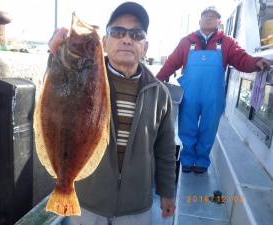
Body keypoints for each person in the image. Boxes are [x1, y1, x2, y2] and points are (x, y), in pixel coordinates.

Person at [49, 2, 176, 225]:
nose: (127, 39)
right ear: (104, 43)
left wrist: (168, 192)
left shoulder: (160, 93)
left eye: (136, 34)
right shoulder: (86, 78)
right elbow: (59, 87)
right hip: (88, 201)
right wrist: (55, 53)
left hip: (136, 205)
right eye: (118, 32)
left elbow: (165, 150)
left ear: (145, 47)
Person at [156, 6, 273, 174]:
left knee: (209, 128)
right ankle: (187, 159)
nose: (209, 18)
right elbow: (171, 63)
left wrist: (257, 62)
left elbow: (242, 59)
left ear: (219, 22)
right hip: (190, 95)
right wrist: (156, 80)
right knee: (186, 127)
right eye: (205, 15)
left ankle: (202, 161)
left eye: (214, 16)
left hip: (213, 96)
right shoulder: (186, 42)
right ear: (200, 20)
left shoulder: (227, 42)